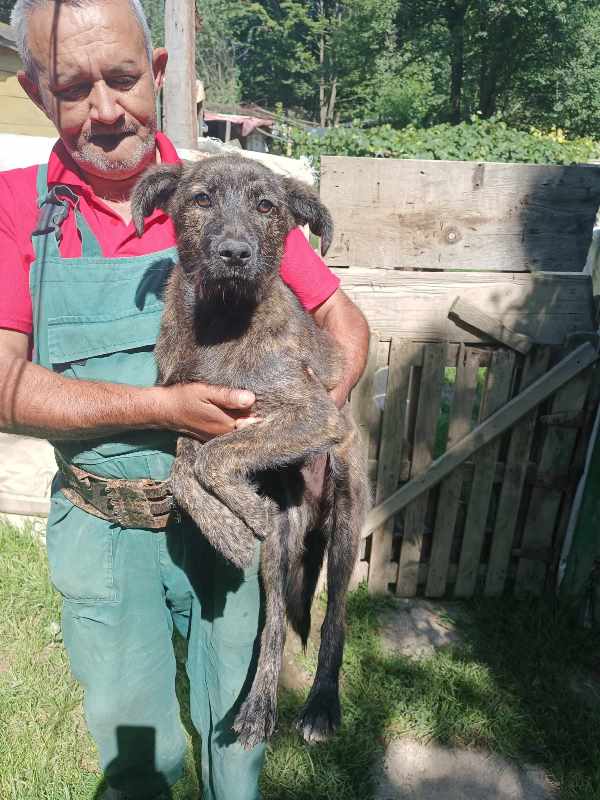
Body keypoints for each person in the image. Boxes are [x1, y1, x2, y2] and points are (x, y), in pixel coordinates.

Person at [0, 1, 369, 798]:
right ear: (35, 91)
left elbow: (342, 321)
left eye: (125, 78)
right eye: (72, 87)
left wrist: (309, 419)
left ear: (159, 74)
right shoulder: (15, 209)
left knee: (236, 751)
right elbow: (2, 387)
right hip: (105, 534)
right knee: (137, 758)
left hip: (233, 520)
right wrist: (162, 412)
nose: (104, 110)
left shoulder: (230, 194)